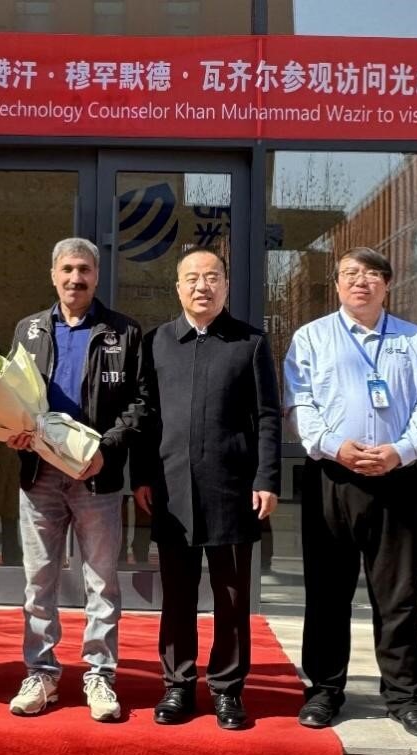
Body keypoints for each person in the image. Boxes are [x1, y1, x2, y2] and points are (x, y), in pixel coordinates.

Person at [284, 246, 417, 739]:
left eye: (372, 274)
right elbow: (299, 404)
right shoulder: (311, 338)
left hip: (396, 478)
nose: (361, 281)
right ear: (336, 284)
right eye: (351, 273)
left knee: (398, 597)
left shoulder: (412, 340)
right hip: (332, 478)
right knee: (327, 593)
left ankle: (406, 698)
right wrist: (335, 446)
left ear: (387, 284)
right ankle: (325, 690)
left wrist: (402, 450)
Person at [133, 245, 281, 729]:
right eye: (193, 278)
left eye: (212, 277)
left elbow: (267, 417)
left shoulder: (250, 343)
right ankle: (177, 685)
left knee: (232, 598)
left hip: (232, 490)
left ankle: (227, 690)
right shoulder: (156, 343)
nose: (203, 286)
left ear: (226, 285)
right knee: (177, 595)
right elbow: (145, 417)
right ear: (178, 287)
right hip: (171, 489)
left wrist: (266, 478)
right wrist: (140, 477)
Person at [5, 237, 145, 722]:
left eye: (84, 270)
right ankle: (41, 672)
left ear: (97, 276)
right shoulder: (28, 330)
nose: (75, 278)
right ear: (53, 274)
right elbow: (11, 394)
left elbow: (140, 403)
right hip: (40, 473)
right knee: (38, 579)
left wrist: (107, 450)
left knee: (101, 581)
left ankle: (100, 674)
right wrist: (13, 430)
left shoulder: (124, 332)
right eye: (67, 269)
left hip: (95, 477)